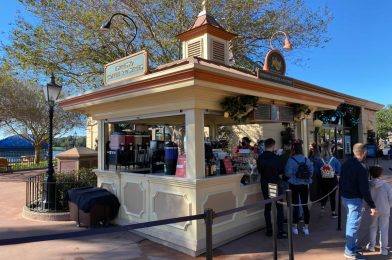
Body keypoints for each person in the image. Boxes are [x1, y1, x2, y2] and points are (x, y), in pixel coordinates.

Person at [339, 143, 377, 259]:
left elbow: (341, 180)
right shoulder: (362, 167)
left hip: (345, 197)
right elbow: (364, 189)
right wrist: (372, 205)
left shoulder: (345, 163)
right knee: (353, 225)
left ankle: (352, 246)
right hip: (354, 199)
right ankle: (350, 251)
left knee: (351, 223)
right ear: (364, 152)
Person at [257, 138, 287, 239]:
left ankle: (269, 229)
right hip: (274, 184)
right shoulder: (275, 158)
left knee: (267, 207)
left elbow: (260, 171)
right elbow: (280, 171)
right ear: (273, 146)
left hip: (264, 184)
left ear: (265, 145)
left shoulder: (260, 157)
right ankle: (280, 231)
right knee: (279, 207)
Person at [285, 139, 313, 235]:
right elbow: (311, 171)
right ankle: (306, 227)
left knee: (296, 205)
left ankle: (295, 227)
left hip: (294, 184)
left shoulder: (291, 160)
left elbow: (287, 173)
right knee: (305, 205)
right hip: (304, 184)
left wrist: (294, 174)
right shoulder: (306, 159)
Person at [366, 165, 392, 256]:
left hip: (373, 209)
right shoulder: (386, 186)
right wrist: (389, 206)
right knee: (384, 229)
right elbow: (391, 199)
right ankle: (383, 249)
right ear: (381, 174)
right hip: (385, 209)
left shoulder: (368, 184)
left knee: (372, 227)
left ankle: (371, 246)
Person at [314, 141, 341, 218]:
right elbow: (339, 170)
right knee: (333, 196)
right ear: (330, 150)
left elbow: (316, 171)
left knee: (324, 194)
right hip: (332, 180)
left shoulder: (319, 160)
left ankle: (322, 208)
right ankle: (333, 212)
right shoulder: (334, 160)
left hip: (323, 180)